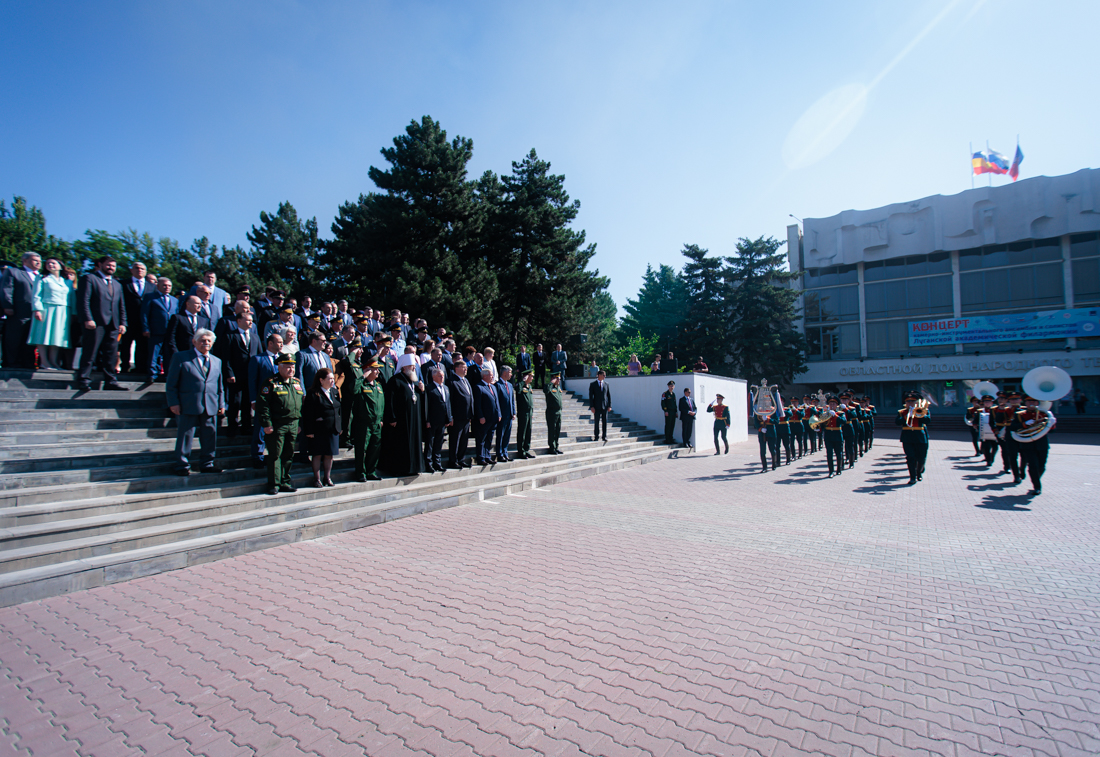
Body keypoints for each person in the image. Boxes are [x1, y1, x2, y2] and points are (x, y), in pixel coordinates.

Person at [165, 328, 226, 476]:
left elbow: (220, 386)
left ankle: (207, 463)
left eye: (208, 341)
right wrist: (173, 402)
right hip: (188, 404)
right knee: (185, 435)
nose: (206, 343)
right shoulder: (181, 357)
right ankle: (182, 465)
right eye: (202, 340)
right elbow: (171, 383)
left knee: (209, 436)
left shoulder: (217, 361)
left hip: (210, 404)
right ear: (194, 342)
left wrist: (222, 404)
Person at [75, 256, 127, 391]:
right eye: (108, 265)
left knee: (111, 353)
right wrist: (87, 318)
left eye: (114, 266)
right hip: (95, 322)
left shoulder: (117, 284)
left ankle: (111, 381)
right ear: (100, 264)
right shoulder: (89, 279)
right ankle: (84, 379)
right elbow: (83, 301)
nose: (111, 268)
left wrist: (123, 322)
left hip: (113, 324)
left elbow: (121, 305)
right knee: (90, 351)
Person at [256, 352, 304, 495]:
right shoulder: (270, 383)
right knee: (275, 455)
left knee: (289, 454)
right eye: (288, 367)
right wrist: (266, 423)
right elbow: (263, 405)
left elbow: (300, 404)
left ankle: (285, 482)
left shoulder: (296, 383)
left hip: (293, 423)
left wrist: (299, 422)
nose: (291, 370)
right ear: (279, 367)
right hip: (277, 424)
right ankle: (274, 484)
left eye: (293, 367)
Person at [214, 311, 261, 438]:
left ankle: (246, 426)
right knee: (235, 402)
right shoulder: (230, 336)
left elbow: (259, 355)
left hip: (251, 376)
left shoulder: (255, 337)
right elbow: (226, 357)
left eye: (252, 320)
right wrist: (229, 373)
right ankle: (232, 427)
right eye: (247, 320)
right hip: (236, 375)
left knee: (247, 402)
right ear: (239, 321)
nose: (251, 322)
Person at [382, 352, 425, 476]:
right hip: (400, 421)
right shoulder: (395, 381)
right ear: (404, 367)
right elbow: (390, 401)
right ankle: (401, 468)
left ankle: (414, 467)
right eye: (412, 366)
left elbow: (415, 399)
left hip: (414, 420)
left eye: (414, 366)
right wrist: (392, 417)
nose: (414, 368)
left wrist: (421, 391)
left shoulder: (414, 382)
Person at [28, 257, 74, 370]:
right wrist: (37, 309)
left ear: (60, 265)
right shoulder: (42, 278)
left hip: (63, 311)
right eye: (48, 263)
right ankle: (44, 362)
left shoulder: (66, 281)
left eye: (53, 263)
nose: (50, 265)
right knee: (43, 335)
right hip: (46, 309)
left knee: (57, 337)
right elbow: (36, 295)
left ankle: (54, 362)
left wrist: (74, 313)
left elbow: (72, 297)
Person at [1, 251, 42, 369]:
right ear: (25, 261)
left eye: (40, 261)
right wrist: (8, 306)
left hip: (36, 314)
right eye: (35, 260)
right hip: (19, 312)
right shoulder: (14, 272)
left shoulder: (41, 276)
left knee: (30, 340)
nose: (38, 263)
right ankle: (11, 363)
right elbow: (7, 289)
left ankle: (28, 363)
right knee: (14, 338)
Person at [302, 368, 341, 487]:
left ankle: (327, 478)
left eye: (333, 379)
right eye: (329, 379)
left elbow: (339, 410)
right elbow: (307, 413)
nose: (332, 381)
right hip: (318, 429)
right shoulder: (313, 393)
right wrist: (309, 430)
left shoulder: (334, 392)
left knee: (329, 454)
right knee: (317, 454)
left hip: (332, 428)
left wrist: (340, 426)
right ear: (321, 380)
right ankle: (317, 478)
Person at [1010, 394, 1056, 496]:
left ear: (1037, 403)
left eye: (1034, 402)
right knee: (1033, 466)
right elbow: (1012, 428)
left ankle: (1036, 479)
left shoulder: (1044, 414)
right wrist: (1025, 424)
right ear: (1025, 403)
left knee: (1041, 466)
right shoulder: (1020, 414)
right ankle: (1037, 487)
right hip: (1027, 444)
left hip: (1042, 444)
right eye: (1029, 402)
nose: (1031, 404)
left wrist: (1051, 424)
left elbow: (1052, 431)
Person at [350, 356, 385, 481]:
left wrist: (381, 419)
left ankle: (371, 471)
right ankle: (360, 472)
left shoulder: (378, 386)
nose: (378, 372)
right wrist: (362, 376)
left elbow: (381, 404)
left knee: (374, 449)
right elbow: (353, 390)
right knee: (362, 450)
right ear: (368, 370)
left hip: (376, 423)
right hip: (364, 423)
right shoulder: (361, 384)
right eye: (375, 369)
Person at [141, 277, 178, 381]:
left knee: (168, 354)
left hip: (169, 332)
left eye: (169, 286)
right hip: (155, 330)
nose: (167, 287)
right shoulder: (150, 297)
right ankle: (152, 374)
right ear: (158, 286)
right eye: (164, 285)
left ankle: (167, 374)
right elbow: (144, 313)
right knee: (154, 353)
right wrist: (146, 328)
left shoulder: (174, 300)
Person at [162, 295, 211, 369]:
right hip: (181, 353)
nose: (199, 306)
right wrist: (175, 353)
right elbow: (171, 337)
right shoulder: (177, 317)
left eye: (200, 304)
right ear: (188, 304)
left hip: (197, 354)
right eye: (197, 303)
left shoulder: (204, 320)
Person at [119, 261, 148, 375]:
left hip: (144, 323)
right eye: (136, 268)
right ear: (131, 270)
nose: (139, 270)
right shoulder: (123, 284)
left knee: (142, 346)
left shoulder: (152, 286)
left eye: (142, 268)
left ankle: (140, 368)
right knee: (126, 345)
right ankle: (124, 367)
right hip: (128, 321)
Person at [895, 391, 931, 486]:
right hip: (907, 437)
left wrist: (918, 414)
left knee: (921, 458)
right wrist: (906, 417)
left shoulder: (923, 410)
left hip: (920, 436)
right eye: (908, 402)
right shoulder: (902, 412)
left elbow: (928, 420)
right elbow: (897, 422)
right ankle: (912, 477)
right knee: (910, 457)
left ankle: (919, 472)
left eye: (912, 402)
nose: (910, 403)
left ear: (916, 402)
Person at [424, 364, 453, 472]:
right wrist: (427, 420)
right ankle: (428, 463)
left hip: (442, 420)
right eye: (440, 376)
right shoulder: (429, 388)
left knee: (438, 443)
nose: (442, 378)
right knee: (430, 443)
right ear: (434, 377)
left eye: (443, 376)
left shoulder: (445, 388)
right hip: (432, 420)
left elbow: (448, 404)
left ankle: (437, 462)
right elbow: (427, 405)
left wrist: (449, 418)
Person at [447, 358, 475, 468]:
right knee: (455, 440)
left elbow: (470, 397)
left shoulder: (466, 380)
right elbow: (450, 400)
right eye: (463, 368)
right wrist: (450, 416)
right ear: (456, 368)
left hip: (466, 416)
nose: (465, 370)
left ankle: (461, 458)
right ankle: (453, 461)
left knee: (464, 439)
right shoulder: (451, 381)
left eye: (466, 368)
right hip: (457, 416)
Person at [473, 366, 501, 465]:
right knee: (482, 439)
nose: (492, 377)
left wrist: (499, 414)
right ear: (484, 376)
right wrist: (480, 416)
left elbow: (496, 401)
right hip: (484, 419)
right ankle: (480, 457)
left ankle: (487, 456)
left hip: (493, 418)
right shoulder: (479, 387)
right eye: (490, 375)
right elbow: (477, 404)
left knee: (489, 438)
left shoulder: (493, 386)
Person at [494, 365, 516, 462]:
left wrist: (514, 412)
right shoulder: (497, 385)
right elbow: (496, 401)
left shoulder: (510, 385)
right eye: (510, 372)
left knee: (507, 435)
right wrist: (498, 413)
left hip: (509, 415)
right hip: (502, 415)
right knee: (500, 435)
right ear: (504, 373)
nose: (511, 374)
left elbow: (512, 400)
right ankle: (499, 454)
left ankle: (505, 452)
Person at [821, 395, 846, 477]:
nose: (832, 406)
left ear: (837, 405)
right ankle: (831, 471)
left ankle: (839, 469)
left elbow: (843, 421)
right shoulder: (825, 414)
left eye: (833, 404)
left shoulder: (841, 413)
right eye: (830, 404)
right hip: (828, 435)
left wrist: (835, 415)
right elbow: (821, 424)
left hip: (837, 435)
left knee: (838, 453)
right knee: (829, 454)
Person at [515, 367, 536, 459]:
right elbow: (518, 391)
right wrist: (523, 381)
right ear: (526, 376)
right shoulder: (520, 385)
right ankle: (521, 451)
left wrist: (532, 412)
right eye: (531, 376)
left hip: (529, 413)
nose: (532, 378)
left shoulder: (529, 387)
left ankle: (526, 450)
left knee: (528, 432)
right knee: (522, 432)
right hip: (523, 413)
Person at [545, 371, 564, 455]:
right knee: (552, 430)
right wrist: (551, 383)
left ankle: (556, 446)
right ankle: (551, 447)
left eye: (559, 379)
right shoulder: (549, 387)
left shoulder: (558, 388)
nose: (559, 380)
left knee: (557, 430)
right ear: (553, 379)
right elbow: (546, 390)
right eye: (557, 379)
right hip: (552, 412)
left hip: (559, 412)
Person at [589, 369, 611, 442]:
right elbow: (591, 396)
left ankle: (604, 436)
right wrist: (592, 406)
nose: (604, 377)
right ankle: (596, 436)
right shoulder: (593, 384)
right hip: (596, 406)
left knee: (604, 422)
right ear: (599, 375)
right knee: (597, 422)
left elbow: (608, 395)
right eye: (603, 375)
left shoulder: (606, 384)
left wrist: (609, 406)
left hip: (604, 406)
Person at [978, 395, 998, 466]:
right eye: (985, 402)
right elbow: (976, 421)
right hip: (985, 433)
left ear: (992, 403)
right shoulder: (980, 411)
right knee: (986, 447)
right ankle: (988, 460)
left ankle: (992, 458)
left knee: (995, 447)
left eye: (989, 402)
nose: (987, 403)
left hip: (994, 432)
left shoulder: (996, 410)